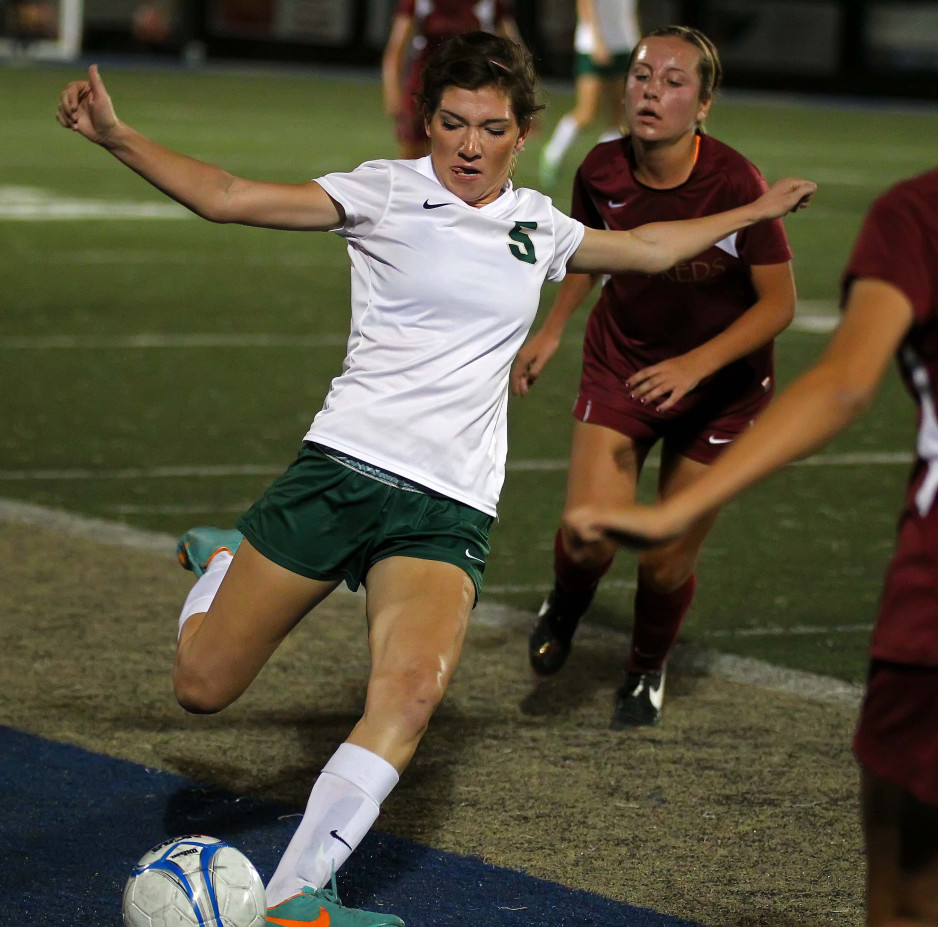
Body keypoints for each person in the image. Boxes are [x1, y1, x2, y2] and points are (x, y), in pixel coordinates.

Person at [56, 32, 814, 927]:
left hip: (446, 506)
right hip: (340, 473)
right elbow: (226, 197)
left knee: (412, 690)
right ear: (429, 121)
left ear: (523, 132)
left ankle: (299, 892)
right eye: (452, 123)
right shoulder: (384, 189)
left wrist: (752, 208)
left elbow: (648, 248)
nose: (467, 145)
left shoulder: (541, 223)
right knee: (203, 686)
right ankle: (226, 564)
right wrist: (118, 136)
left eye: (490, 128)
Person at [565, 0, 938, 922]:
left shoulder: (929, 212)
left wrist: (666, 515)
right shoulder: (611, 169)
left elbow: (843, 387)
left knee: (906, 907)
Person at [514, 25, 797, 730]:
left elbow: (780, 305)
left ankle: (645, 665)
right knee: (587, 534)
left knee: (667, 558)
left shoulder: (736, 184)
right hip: (623, 365)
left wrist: (696, 365)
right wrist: (553, 328)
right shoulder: (603, 168)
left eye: (674, 83)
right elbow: (587, 254)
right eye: (643, 76)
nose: (652, 92)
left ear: (703, 105)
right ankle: (567, 600)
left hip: (722, 389)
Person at [381, 0, 521, 160]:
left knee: (470, 161)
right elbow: (396, 48)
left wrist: (521, 96)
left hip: (472, 93)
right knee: (414, 166)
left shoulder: (491, 4)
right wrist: (393, 95)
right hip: (427, 89)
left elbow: (514, 51)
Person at [538, 0, 640, 189]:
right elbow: (585, 6)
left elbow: (629, 11)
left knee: (618, 118)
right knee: (587, 113)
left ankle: (602, 169)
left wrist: (636, 42)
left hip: (624, 45)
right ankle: (553, 155)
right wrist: (597, 41)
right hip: (592, 47)